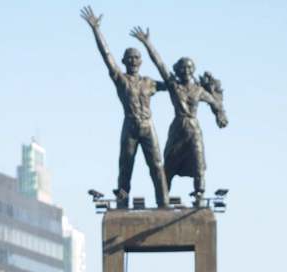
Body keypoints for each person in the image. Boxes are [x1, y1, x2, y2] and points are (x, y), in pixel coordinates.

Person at [81, 6, 169, 209]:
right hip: (129, 126)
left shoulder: (149, 83)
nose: (133, 61)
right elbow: (107, 56)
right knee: (125, 168)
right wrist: (96, 29)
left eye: (137, 57)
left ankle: (163, 203)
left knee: (157, 166)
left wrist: (148, 44)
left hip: (148, 126)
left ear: (141, 61)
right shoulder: (121, 80)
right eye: (129, 58)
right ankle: (122, 203)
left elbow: (172, 84)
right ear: (124, 61)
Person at [130, 27, 228, 206]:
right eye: (183, 68)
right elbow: (159, 64)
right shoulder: (173, 86)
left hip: (193, 129)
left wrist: (219, 115)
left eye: (189, 67)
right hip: (177, 129)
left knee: (199, 164)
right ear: (178, 70)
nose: (186, 70)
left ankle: (199, 195)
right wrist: (147, 43)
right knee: (168, 166)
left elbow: (215, 102)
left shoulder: (198, 90)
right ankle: (163, 199)